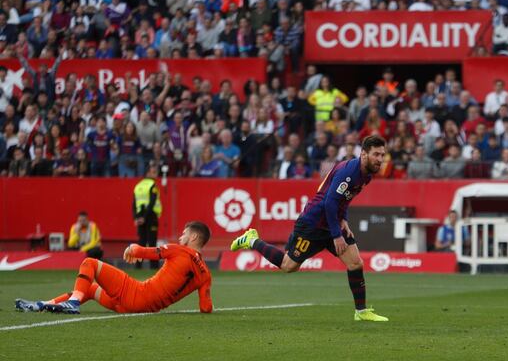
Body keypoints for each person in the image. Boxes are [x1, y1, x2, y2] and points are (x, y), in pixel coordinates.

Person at [230, 135, 389, 322]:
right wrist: (337, 235)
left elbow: (345, 198)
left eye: (382, 155)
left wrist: (343, 219)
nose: (380, 159)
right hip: (313, 224)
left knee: (355, 263)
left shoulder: (366, 174)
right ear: (363, 154)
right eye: (376, 154)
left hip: (332, 223)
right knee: (288, 266)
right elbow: (329, 202)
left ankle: (361, 312)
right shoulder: (349, 172)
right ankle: (251, 240)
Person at [15, 221, 212, 315]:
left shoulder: (178, 251)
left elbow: (140, 250)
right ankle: (41, 304)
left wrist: (130, 249)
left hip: (135, 295)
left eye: (184, 234)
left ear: (193, 237)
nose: (180, 237)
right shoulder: (205, 274)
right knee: (90, 289)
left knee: (89, 263)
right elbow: (205, 307)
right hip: (141, 308)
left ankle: (73, 303)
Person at [133, 164, 163, 269]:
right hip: (150, 216)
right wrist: (145, 217)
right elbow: (152, 202)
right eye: (153, 172)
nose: (156, 174)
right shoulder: (152, 185)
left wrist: (136, 218)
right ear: (148, 173)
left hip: (140, 215)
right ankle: (154, 267)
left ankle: (138, 266)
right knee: (152, 243)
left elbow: (134, 204)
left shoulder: (138, 186)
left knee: (141, 242)